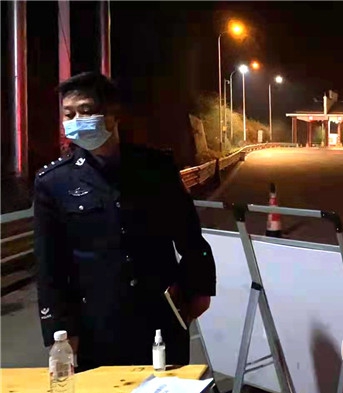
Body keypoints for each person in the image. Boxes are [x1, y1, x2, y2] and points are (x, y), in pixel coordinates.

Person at [34, 72, 216, 372]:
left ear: (113, 115)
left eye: (86, 111)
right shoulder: (53, 182)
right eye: (69, 114)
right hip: (96, 328)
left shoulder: (156, 168)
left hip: (160, 320)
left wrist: (200, 288)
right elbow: (49, 267)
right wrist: (59, 331)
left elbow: (190, 237)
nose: (76, 121)